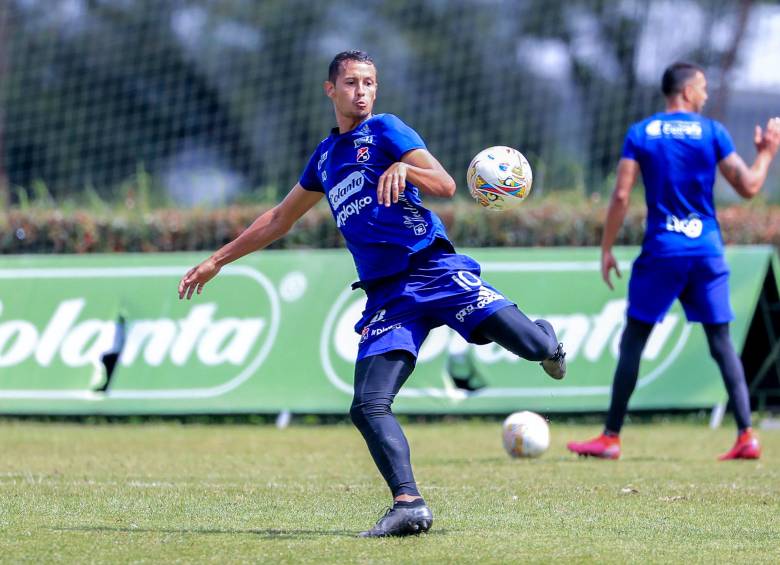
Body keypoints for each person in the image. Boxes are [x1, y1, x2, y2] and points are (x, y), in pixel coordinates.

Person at [178, 50, 566, 537]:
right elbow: (279, 219)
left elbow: (445, 184)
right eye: (352, 83)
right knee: (367, 405)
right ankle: (409, 504)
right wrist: (217, 260)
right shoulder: (324, 157)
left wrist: (408, 171)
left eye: (369, 82)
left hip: (435, 270)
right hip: (389, 297)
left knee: (533, 348)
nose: (362, 91)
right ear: (331, 90)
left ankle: (548, 340)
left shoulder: (386, 130)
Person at [567, 62, 780, 461]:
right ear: (685, 91)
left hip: (664, 250)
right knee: (721, 342)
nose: (706, 94)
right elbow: (749, 186)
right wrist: (767, 154)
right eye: (702, 87)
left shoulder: (642, 132)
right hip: (706, 250)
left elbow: (619, 196)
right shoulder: (712, 132)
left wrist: (607, 247)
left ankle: (611, 437)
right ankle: (746, 434)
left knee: (634, 339)